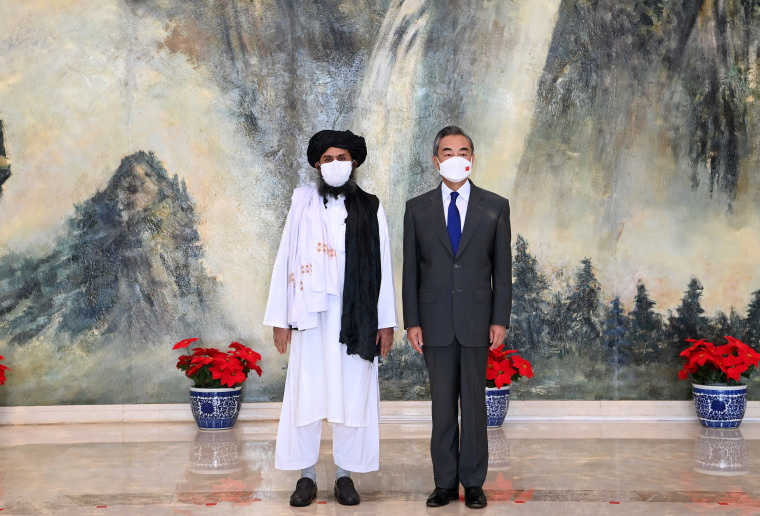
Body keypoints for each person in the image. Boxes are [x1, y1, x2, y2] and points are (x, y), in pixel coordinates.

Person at [263, 129, 397, 507]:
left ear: (353, 162)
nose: (335, 164)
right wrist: (280, 318)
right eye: (327, 159)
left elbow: (383, 266)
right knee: (306, 393)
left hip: (356, 317)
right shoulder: (302, 203)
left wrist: (385, 321)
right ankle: (305, 477)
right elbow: (285, 258)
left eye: (342, 158)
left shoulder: (371, 207)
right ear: (317, 165)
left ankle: (345, 476)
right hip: (309, 315)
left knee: (352, 394)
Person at [402, 125, 512, 509]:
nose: (455, 158)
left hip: (477, 320)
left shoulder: (495, 206)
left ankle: (474, 483)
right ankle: (445, 483)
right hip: (433, 323)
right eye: (447, 152)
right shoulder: (416, 209)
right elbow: (411, 270)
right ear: (436, 161)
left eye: (463, 151)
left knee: (475, 408)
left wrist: (499, 319)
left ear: (473, 159)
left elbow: (502, 267)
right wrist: (412, 321)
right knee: (442, 406)